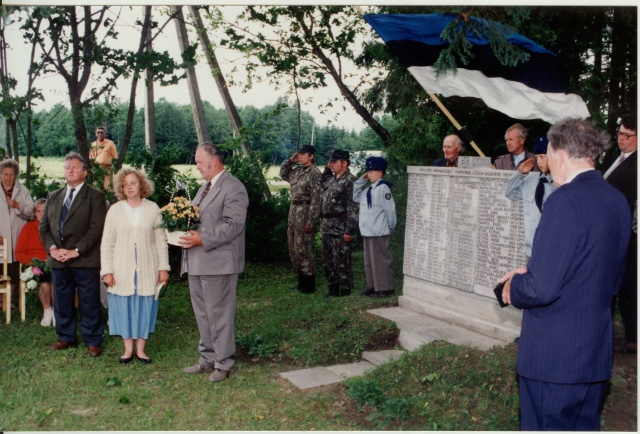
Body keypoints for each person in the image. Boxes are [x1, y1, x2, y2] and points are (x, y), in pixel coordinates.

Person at [501, 118, 631, 431]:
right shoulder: (617, 200)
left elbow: (540, 290)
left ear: (560, 154)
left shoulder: (564, 201)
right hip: (593, 358)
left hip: (554, 361)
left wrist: (513, 285)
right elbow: (610, 279)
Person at [180, 142, 249, 382]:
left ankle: (223, 362)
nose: (197, 166)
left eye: (199, 162)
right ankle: (207, 358)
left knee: (219, 313)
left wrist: (202, 239)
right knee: (202, 313)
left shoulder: (234, 187)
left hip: (219, 262)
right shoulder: (205, 187)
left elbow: (233, 225)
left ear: (214, 161)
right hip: (198, 261)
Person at [39, 152, 107, 357]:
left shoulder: (95, 196)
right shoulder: (53, 195)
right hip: (58, 259)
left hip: (84, 259)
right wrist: (53, 249)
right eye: (67, 167)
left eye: (75, 167)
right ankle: (65, 337)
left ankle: (93, 340)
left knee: (89, 300)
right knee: (62, 300)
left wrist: (75, 251)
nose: (70, 170)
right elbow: (44, 228)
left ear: (84, 173)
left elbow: (96, 229)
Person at [100, 168, 170, 364]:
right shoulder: (114, 210)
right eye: (125, 184)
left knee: (145, 305)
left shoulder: (153, 208)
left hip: (147, 266)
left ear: (141, 185)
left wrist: (163, 268)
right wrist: (107, 271)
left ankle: (141, 349)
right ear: (121, 188)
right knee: (123, 306)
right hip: (121, 268)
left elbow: (160, 241)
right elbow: (107, 243)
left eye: (133, 183)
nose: (129, 187)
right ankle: (127, 348)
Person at [601, 114, 637, 354]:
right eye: (620, 134)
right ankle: (609, 332)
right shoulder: (615, 159)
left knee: (630, 285)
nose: (621, 139)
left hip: (630, 234)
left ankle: (634, 336)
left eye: (627, 135)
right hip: (609, 231)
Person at [504, 136, 556, 260]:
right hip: (531, 249)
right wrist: (520, 173)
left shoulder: (560, 184)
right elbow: (510, 193)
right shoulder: (531, 181)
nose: (539, 162)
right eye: (537, 157)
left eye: (543, 157)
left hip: (552, 250)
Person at [279, 144, 322, 294]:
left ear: (311, 156)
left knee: (304, 248)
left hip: (305, 214)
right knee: (294, 248)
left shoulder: (315, 173)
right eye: (299, 154)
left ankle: (309, 283)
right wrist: (290, 161)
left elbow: (317, 199)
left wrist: (311, 221)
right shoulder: (296, 171)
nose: (300, 157)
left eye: (304, 154)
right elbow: (283, 173)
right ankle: (300, 281)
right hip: (293, 212)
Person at [353, 156, 396, 298]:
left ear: (380, 173)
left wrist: (390, 228)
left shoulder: (383, 189)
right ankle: (372, 286)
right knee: (369, 262)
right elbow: (355, 197)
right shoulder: (368, 190)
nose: (369, 173)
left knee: (381, 261)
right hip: (367, 231)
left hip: (379, 232)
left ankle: (385, 288)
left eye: (372, 171)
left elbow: (390, 211)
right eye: (368, 171)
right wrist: (362, 179)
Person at [319, 149, 359, 297]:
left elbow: (353, 207)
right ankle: (333, 288)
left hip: (340, 227)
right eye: (330, 162)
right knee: (328, 260)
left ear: (345, 163)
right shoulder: (331, 179)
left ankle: (345, 289)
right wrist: (327, 167)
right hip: (327, 226)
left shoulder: (351, 181)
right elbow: (321, 181)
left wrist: (349, 230)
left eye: (334, 161)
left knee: (341, 260)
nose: (331, 164)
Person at [0, 158, 34, 307]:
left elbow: (31, 212)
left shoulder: (23, 191)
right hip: (1, 237)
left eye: (11, 174)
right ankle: (1, 298)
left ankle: (9, 300)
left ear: (16, 175)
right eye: (5, 174)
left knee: (13, 268)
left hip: (17, 236)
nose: (8, 178)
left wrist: (16, 205)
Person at [15, 199, 54, 326]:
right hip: (35, 264)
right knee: (44, 284)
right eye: (38, 211)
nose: (41, 214)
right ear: (34, 213)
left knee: (57, 283)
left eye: (44, 211)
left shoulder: (54, 227)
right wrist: (33, 263)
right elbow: (19, 253)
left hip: (52, 262)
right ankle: (47, 311)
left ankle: (57, 312)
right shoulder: (28, 228)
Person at [89, 126, 118, 190]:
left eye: (102, 132)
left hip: (107, 169)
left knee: (108, 188)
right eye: (98, 132)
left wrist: (114, 170)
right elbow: (91, 158)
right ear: (96, 134)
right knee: (97, 189)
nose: (100, 134)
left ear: (104, 134)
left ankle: (108, 199)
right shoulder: (93, 144)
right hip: (97, 169)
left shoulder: (110, 143)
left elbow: (115, 157)